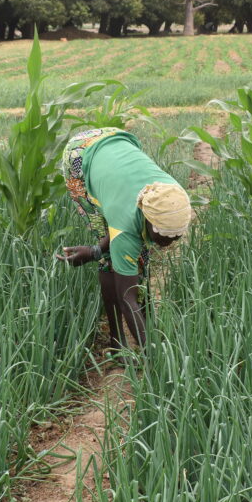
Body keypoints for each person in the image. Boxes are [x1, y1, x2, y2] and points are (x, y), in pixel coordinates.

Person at [56, 127, 192, 354]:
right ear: (147, 219)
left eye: (175, 236)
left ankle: (95, 252)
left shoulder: (173, 196)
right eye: (163, 236)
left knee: (136, 256)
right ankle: (117, 342)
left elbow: (129, 223)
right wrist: (153, 357)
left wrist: (94, 251)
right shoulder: (127, 230)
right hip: (80, 155)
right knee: (111, 261)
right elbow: (127, 297)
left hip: (115, 140)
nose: (168, 243)